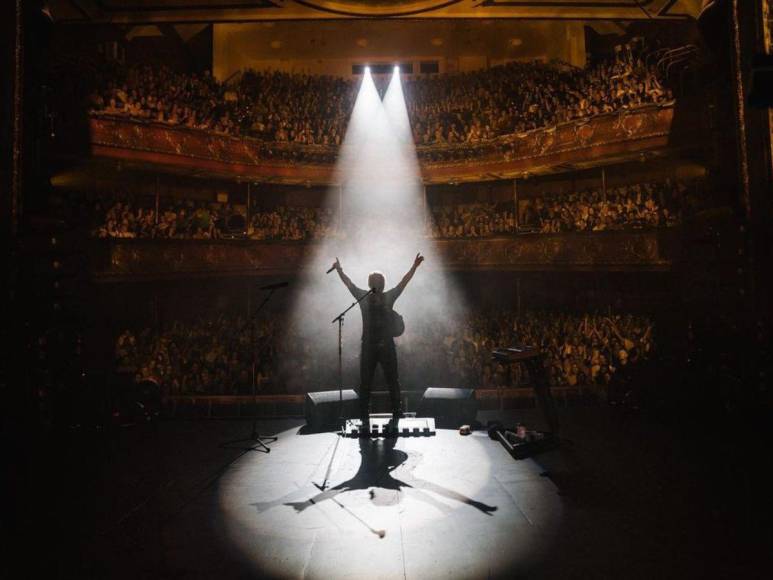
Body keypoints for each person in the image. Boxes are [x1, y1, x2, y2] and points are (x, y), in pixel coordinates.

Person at [332, 253, 424, 427]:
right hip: (374, 346)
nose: (377, 284)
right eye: (376, 281)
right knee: (374, 381)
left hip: (379, 346)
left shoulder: (376, 297)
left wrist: (414, 267)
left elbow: (403, 282)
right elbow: (349, 284)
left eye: (377, 281)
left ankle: (390, 412)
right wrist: (340, 270)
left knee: (386, 380)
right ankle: (378, 413)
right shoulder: (368, 298)